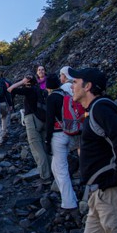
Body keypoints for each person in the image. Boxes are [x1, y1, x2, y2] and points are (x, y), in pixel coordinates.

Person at [69, 67, 117, 233]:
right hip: (100, 193)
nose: (71, 86)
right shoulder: (96, 109)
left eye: (75, 82)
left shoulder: (100, 109)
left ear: (88, 86)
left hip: (112, 194)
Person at [8, 74, 53, 182]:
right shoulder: (40, 90)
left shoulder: (29, 90)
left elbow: (10, 89)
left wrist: (22, 81)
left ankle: (45, 176)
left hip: (32, 120)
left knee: (36, 147)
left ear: (27, 82)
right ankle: (53, 171)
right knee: (45, 146)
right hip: (43, 120)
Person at [44, 74, 78, 211]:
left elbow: (50, 120)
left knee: (61, 169)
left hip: (58, 136)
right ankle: (72, 196)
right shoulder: (65, 94)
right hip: (70, 133)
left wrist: (47, 140)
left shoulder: (52, 98)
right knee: (55, 167)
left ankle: (69, 202)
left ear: (47, 87)